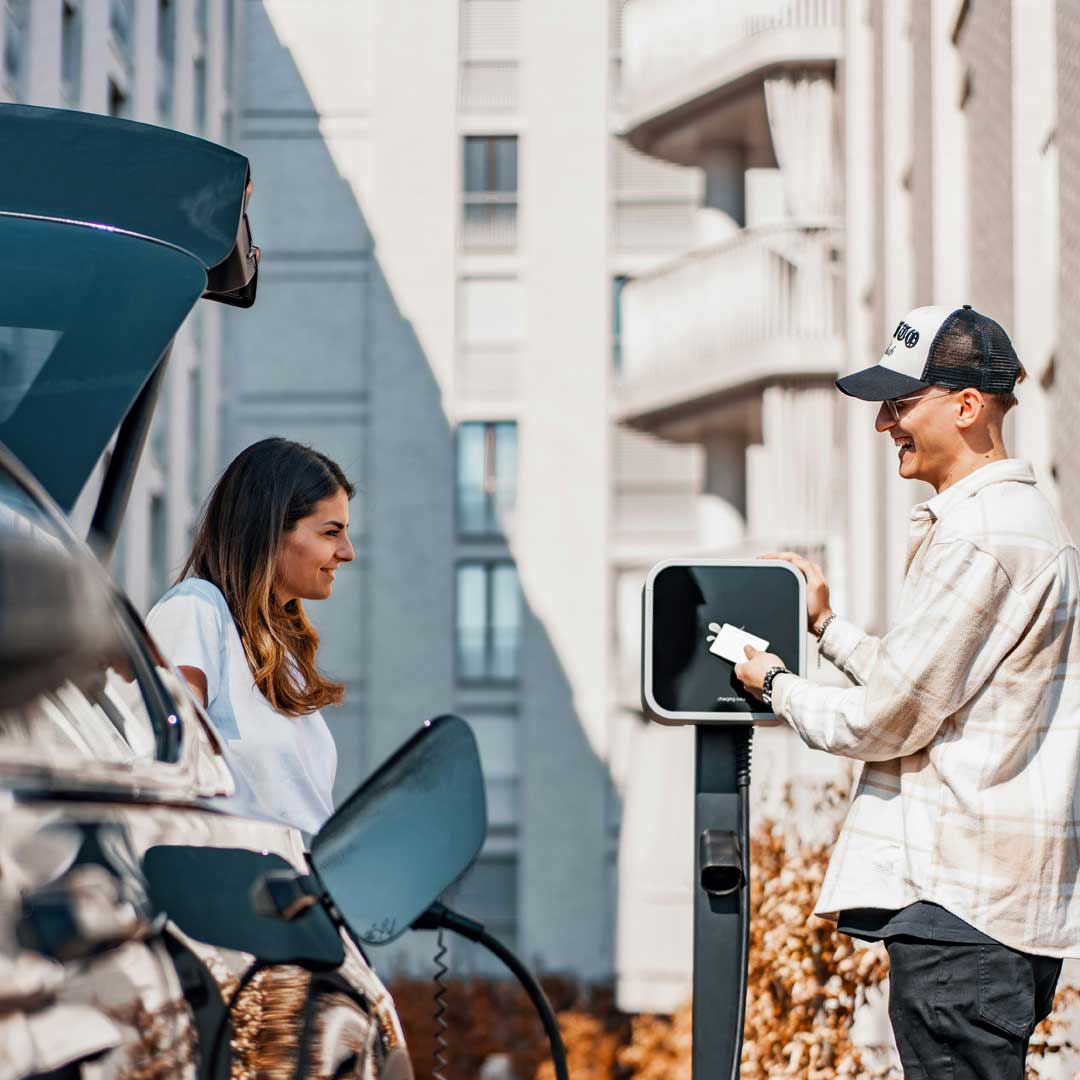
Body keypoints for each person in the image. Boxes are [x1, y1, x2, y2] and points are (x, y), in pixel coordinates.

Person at [734, 305, 1079, 1079]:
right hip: (983, 917)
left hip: (966, 915)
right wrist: (827, 630)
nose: (886, 423)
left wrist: (776, 684)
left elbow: (886, 719)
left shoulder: (982, 534)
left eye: (901, 403)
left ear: (966, 406)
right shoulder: (1009, 525)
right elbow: (929, 689)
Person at [147, 437, 355, 836]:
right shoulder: (196, 610)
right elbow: (165, 767)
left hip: (299, 885)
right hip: (237, 886)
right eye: (331, 532)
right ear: (272, 529)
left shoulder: (282, 654)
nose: (347, 552)